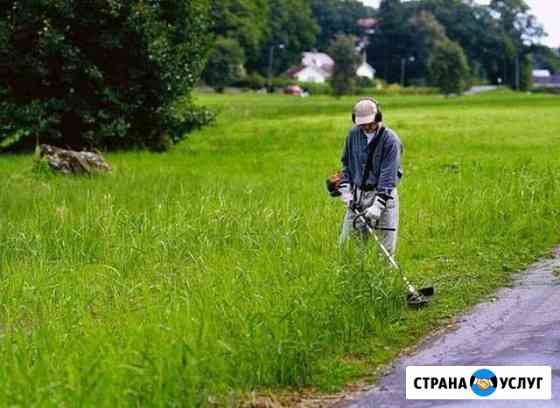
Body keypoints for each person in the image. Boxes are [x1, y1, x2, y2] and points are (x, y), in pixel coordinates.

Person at [337, 98, 403, 255]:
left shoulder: (390, 140)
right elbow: (347, 164)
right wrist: (346, 191)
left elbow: (389, 176)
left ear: (378, 117)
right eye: (362, 124)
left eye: (370, 123)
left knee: (384, 252)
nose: (366, 127)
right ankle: (354, 278)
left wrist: (378, 205)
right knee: (347, 247)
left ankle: (385, 278)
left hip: (383, 197)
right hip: (357, 196)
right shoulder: (353, 135)